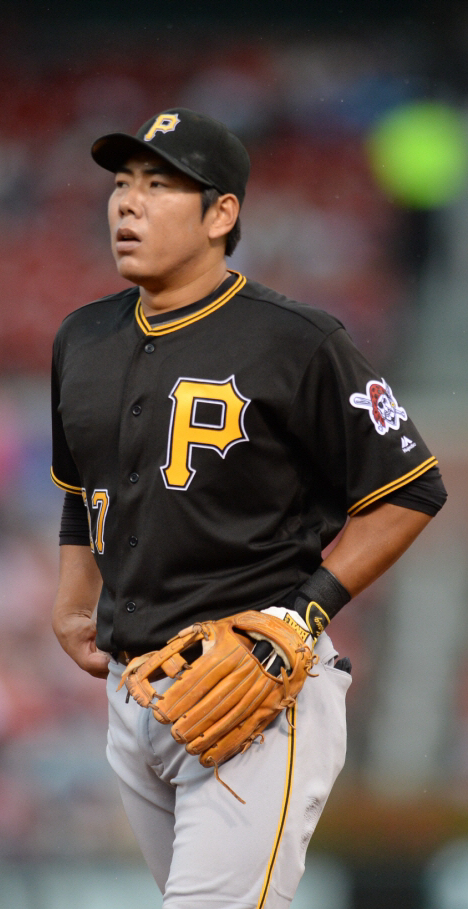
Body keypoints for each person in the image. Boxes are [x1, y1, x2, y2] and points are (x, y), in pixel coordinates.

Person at [50, 108, 446, 909]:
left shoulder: (298, 339)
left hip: (258, 684)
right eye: (122, 184)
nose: (128, 203)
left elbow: (410, 487)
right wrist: (72, 593)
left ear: (220, 214)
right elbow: (83, 485)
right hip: (135, 692)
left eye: (159, 186)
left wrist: (301, 616)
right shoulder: (80, 338)